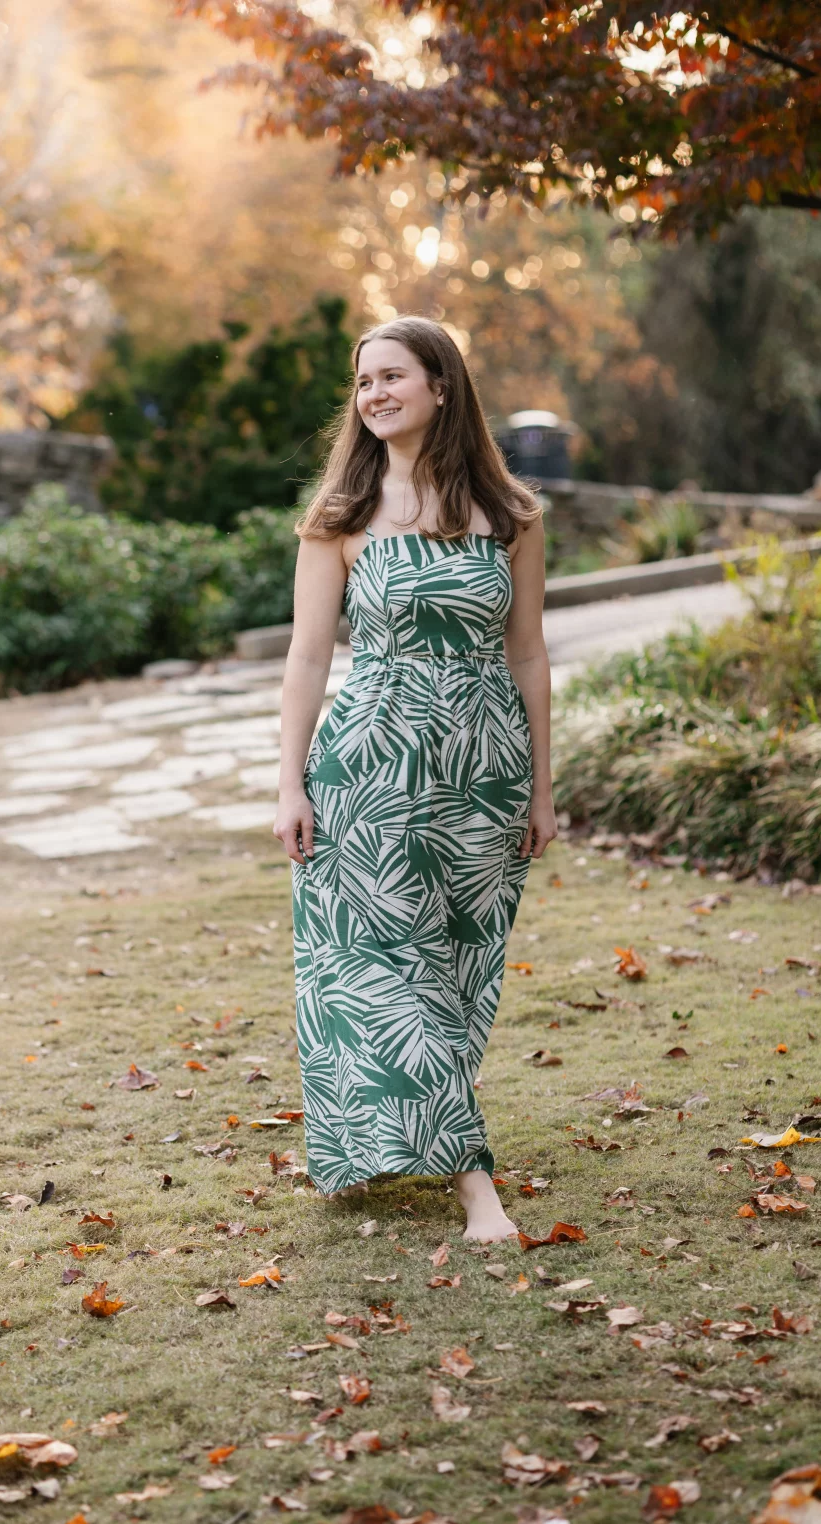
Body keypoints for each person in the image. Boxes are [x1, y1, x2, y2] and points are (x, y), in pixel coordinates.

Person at [273, 316, 557, 1243]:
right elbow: (308, 658)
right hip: (371, 768)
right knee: (393, 968)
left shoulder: (510, 514)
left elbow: (529, 655)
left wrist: (542, 788)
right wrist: (290, 783)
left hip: (482, 769)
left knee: (460, 969)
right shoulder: (341, 516)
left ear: (442, 385)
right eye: (363, 384)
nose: (375, 395)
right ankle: (477, 1188)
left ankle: (401, 1136)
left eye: (392, 376)